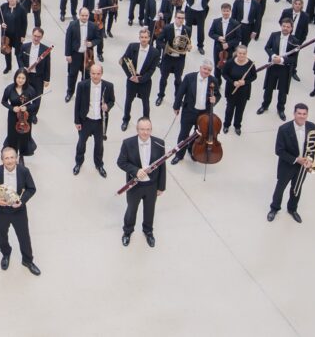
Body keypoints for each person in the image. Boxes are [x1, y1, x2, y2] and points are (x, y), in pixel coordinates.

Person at [0, 146, 39, 275]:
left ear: (16, 158)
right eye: (6, 158)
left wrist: (22, 201)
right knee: (2, 235)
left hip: (19, 211)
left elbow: (31, 189)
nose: (9, 161)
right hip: (0, 211)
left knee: (24, 236)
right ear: (2, 159)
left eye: (12, 157)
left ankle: (27, 260)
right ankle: (6, 254)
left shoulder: (24, 171)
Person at [116, 117, 166, 247]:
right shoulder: (127, 143)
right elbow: (121, 162)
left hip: (152, 185)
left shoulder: (159, 143)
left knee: (150, 210)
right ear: (137, 129)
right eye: (142, 129)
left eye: (148, 129)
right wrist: (136, 170)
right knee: (131, 210)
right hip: (134, 186)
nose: (145, 132)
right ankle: (127, 232)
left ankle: (148, 231)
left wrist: (161, 187)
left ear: (151, 129)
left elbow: (162, 167)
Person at [267, 104, 315, 223]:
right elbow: (279, 151)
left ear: (307, 115)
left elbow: (313, 146)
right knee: (280, 188)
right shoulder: (284, 129)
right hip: (287, 165)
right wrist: (296, 159)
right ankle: (274, 208)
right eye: (299, 113)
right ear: (294, 114)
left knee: (297, 188)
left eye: (304, 114)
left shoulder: (312, 126)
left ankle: (292, 209)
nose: (302, 116)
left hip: (303, 166)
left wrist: (310, 160)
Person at [170, 60, 217, 164]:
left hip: (204, 114)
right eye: (205, 69)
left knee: (198, 135)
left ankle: (192, 151)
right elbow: (180, 92)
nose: (206, 71)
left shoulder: (213, 81)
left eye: (209, 70)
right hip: (189, 111)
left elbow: (217, 94)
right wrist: (176, 106)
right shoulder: (189, 77)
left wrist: (215, 99)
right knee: (183, 134)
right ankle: (179, 155)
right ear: (200, 68)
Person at [72, 63, 114, 177]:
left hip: (100, 122)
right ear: (90, 73)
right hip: (86, 120)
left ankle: (99, 164)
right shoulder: (82, 85)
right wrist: (77, 121)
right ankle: (78, 163)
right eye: (93, 73)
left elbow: (112, 101)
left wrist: (107, 107)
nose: (95, 76)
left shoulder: (108, 86)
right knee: (81, 143)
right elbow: (77, 104)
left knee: (99, 144)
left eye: (98, 74)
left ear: (102, 74)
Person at [257, 18, 298, 121]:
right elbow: (267, 47)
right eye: (284, 26)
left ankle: (280, 109)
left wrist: (282, 60)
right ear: (281, 26)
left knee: (283, 90)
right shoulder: (274, 35)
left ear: (291, 28)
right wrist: (273, 56)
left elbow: (293, 58)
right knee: (268, 88)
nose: (285, 28)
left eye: (288, 27)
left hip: (285, 69)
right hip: (272, 66)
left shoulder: (295, 40)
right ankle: (265, 105)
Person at [120, 27, 160, 130]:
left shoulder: (155, 52)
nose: (144, 39)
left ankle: (146, 123)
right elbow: (123, 62)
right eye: (142, 37)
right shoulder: (132, 46)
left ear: (149, 38)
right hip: (132, 79)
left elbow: (151, 70)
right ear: (139, 38)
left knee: (145, 103)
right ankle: (125, 120)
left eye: (146, 37)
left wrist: (141, 79)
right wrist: (130, 76)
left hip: (144, 81)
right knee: (128, 101)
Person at [64, 6, 102, 100]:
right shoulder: (72, 25)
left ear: (89, 15)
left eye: (86, 15)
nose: (84, 17)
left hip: (87, 55)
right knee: (72, 74)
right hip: (75, 54)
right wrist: (68, 54)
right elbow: (68, 40)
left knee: (87, 75)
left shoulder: (93, 26)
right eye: (82, 15)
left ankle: (83, 94)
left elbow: (98, 39)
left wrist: (91, 43)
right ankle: (70, 92)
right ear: (79, 15)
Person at [15, 27, 51, 124]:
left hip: (38, 77)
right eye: (35, 36)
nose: (36, 38)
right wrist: (23, 68)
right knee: (24, 96)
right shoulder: (24, 46)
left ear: (42, 37)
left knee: (37, 97)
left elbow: (48, 65)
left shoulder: (45, 49)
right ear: (32, 35)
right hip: (26, 76)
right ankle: (23, 113)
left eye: (38, 37)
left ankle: (34, 114)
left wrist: (47, 79)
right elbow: (19, 58)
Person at [156, 11, 190, 106]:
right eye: (179, 18)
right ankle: (161, 96)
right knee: (163, 78)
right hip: (168, 58)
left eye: (182, 18)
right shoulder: (167, 28)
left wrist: (188, 47)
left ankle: (177, 98)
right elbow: (159, 41)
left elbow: (187, 42)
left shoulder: (187, 29)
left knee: (178, 80)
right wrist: (167, 49)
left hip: (180, 59)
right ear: (175, 18)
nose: (180, 20)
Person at [222, 44, 257, 134]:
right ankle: (226, 125)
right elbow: (224, 74)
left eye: (244, 53)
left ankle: (237, 126)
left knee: (240, 110)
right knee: (229, 109)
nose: (241, 55)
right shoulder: (230, 62)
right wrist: (233, 82)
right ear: (236, 53)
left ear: (246, 54)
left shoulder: (250, 64)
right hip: (231, 90)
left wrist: (245, 82)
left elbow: (254, 76)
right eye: (240, 53)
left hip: (244, 91)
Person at [2, 70, 36, 160]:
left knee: (24, 136)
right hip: (13, 116)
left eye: (23, 78)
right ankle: (13, 155)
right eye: (19, 77)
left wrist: (27, 108)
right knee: (12, 135)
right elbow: (3, 101)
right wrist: (12, 108)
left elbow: (35, 103)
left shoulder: (30, 90)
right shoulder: (9, 88)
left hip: (25, 117)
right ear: (15, 78)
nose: (20, 80)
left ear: (26, 79)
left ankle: (22, 156)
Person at [0, 0, 28, 75]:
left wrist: (23, 36)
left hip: (17, 35)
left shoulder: (21, 8)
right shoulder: (3, 7)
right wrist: (1, 23)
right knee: (7, 51)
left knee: (18, 53)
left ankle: (20, 69)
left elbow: (24, 23)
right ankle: (8, 67)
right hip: (6, 35)